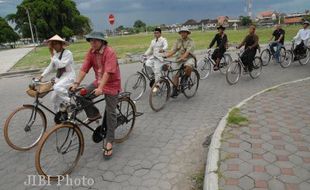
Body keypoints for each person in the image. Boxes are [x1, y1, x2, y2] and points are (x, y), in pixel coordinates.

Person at [70, 31, 121, 159]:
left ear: (102, 41)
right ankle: (94, 114)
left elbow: (108, 73)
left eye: (95, 40)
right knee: (81, 95)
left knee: (110, 113)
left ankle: (109, 141)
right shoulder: (91, 52)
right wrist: (76, 84)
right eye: (90, 40)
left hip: (112, 83)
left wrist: (101, 88)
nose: (92, 43)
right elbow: (84, 69)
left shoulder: (110, 52)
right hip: (99, 82)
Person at [39, 34, 75, 112]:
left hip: (68, 76)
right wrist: (41, 76)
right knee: (53, 98)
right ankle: (59, 115)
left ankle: (69, 103)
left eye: (56, 43)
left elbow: (61, 65)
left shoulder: (67, 53)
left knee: (57, 87)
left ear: (61, 44)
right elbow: (50, 67)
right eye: (53, 44)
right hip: (60, 77)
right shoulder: (56, 55)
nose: (54, 46)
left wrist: (52, 55)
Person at [165, 26, 196, 98]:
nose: (183, 34)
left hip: (189, 58)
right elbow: (173, 50)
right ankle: (175, 90)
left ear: (187, 33)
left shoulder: (190, 41)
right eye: (181, 32)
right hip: (179, 59)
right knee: (174, 74)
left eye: (184, 32)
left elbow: (187, 52)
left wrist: (182, 58)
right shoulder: (177, 41)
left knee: (188, 66)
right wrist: (165, 56)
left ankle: (186, 77)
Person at [144, 27, 168, 92]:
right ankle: (154, 76)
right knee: (147, 63)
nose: (155, 34)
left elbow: (166, 46)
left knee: (157, 71)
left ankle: (157, 85)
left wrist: (163, 49)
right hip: (154, 57)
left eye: (157, 33)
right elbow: (150, 49)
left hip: (160, 58)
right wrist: (145, 54)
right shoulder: (153, 41)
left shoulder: (163, 40)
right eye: (154, 33)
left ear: (160, 33)